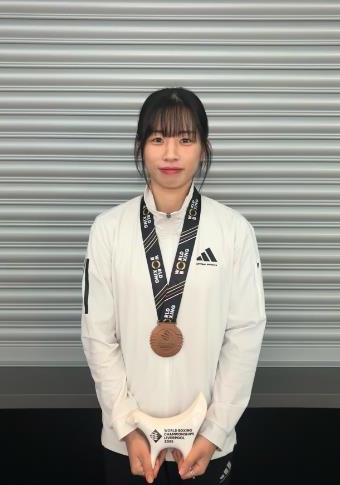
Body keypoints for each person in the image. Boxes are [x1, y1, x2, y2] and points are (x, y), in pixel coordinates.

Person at [81, 87, 267, 484]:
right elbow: (98, 336)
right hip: (128, 443)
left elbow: (245, 337)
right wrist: (126, 428)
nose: (170, 154)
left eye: (185, 139)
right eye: (157, 139)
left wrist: (214, 433)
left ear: (203, 147)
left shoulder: (234, 231)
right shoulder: (108, 230)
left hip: (205, 443)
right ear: (140, 146)